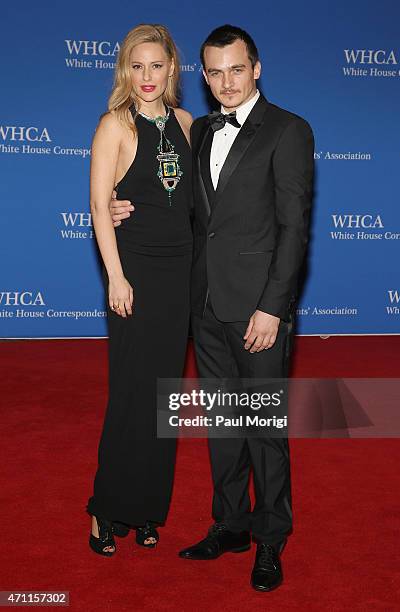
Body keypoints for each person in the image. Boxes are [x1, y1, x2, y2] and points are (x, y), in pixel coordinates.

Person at [110, 24, 314, 592]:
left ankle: (271, 538)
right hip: (202, 303)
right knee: (224, 426)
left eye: (237, 69)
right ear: (202, 75)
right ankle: (230, 525)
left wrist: (273, 307)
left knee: (263, 428)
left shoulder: (289, 130)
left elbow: (294, 228)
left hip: (258, 311)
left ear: (257, 68)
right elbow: (164, 194)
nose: (226, 82)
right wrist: (113, 202)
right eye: (215, 71)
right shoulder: (195, 130)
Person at [86, 23, 193, 556]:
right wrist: (117, 276)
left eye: (156, 65)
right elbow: (99, 207)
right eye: (137, 66)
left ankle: (148, 508)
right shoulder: (114, 125)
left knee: (163, 400)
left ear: (171, 69)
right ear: (125, 70)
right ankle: (107, 510)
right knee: (131, 394)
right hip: (137, 275)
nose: (147, 76)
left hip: (180, 276)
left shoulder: (187, 123)